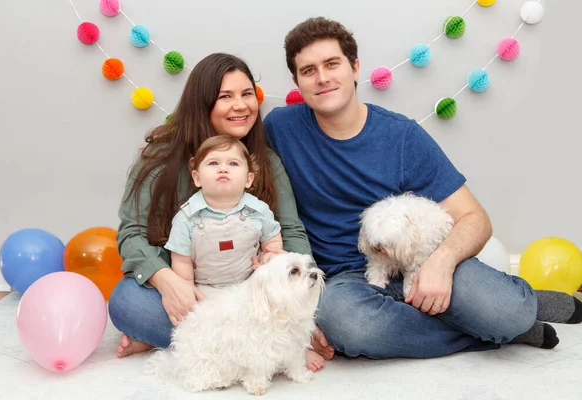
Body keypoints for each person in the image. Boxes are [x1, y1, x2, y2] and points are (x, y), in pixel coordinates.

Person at [263, 17, 582, 360]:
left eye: (332, 64)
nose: (322, 78)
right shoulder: (281, 128)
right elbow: (231, 161)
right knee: (350, 328)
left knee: (509, 311)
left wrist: (442, 262)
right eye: (309, 71)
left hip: (422, 260)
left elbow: (475, 218)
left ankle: (516, 314)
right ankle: (497, 334)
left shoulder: (402, 136)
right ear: (296, 81)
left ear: (355, 68)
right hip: (347, 280)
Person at [108, 52, 330, 371]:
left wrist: (290, 283)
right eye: (225, 96)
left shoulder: (265, 164)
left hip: (245, 291)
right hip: (188, 288)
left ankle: (209, 347)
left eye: (246, 94)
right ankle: (266, 349)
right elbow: (132, 233)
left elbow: (290, 231)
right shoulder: (160, 157)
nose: (240, 105)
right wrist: (167, 281)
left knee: (288, 302)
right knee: (128, 304)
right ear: (203, 102)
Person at [164, 135, 283, 291]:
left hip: (251, 284)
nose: (223, 169)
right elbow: (181, 261)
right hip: (205, 288)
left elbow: (272, 241)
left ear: (248, 179)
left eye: (233, 163)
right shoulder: (187, 217)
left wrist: (272, 255)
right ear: (197, 178)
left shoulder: (259, 210)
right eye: (213, 163)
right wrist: (186, 287)